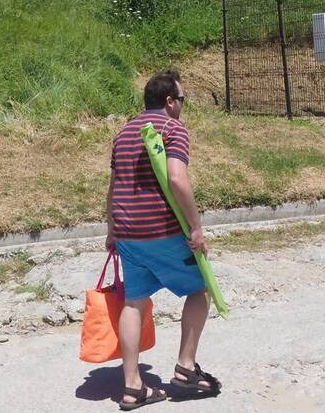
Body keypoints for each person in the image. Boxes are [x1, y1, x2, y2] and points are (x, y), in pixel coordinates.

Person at [105, 70, 222, 410]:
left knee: (133, 302)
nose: (183, 107)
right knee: (200, 290)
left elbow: (113, 187)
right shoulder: (172, 128)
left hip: (127, 231)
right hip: (162, 230)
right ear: (170, 101)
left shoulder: (124, 132)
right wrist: (196, 228)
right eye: (182, 100)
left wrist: (111, 230)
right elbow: (177, 178)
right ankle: (185, 369)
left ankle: (132, 387)